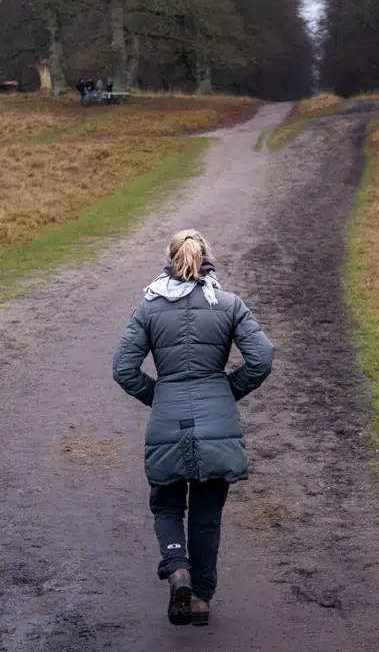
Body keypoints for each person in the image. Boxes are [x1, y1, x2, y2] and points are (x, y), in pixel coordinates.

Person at [112, 229, 274, 627]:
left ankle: (177, 569)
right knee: (206, 516)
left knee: (167, 504)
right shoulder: (229, 304)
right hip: (217, 421)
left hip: (168, 422)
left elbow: (123, 369)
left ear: (169, 259)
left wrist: (160, 397)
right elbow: (262, 358)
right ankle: (200, 599)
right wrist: (226, 392)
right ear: (207, 259)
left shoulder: (149, 308)